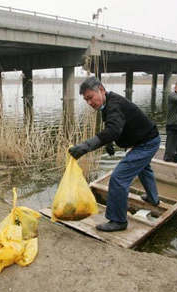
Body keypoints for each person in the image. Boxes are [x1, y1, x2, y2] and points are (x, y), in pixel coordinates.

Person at [69, 77, 161, 232]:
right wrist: (109, 142)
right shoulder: (106, 104)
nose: (90, 103)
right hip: (145, 140)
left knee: (118, 179)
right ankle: (153, 198)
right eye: (86, 100)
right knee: (144, 168)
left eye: (90, 97)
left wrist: (85, 147)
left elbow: (113, 130)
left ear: (101, 90)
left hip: (147, 142)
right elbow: (114, 125)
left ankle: (118, 221)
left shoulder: (114, 104)